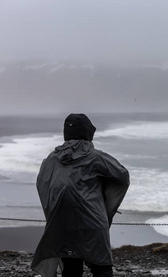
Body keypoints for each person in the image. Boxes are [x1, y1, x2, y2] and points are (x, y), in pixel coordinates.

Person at [32, 114, 130, 277]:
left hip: (63, 224)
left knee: (71, 269)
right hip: (92, 223)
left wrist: (55, 213)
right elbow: (122, 175)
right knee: (102, 268)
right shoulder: (95, 157)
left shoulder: (51, 159)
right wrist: (105, 197)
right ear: (88, 132)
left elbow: (42, 184)